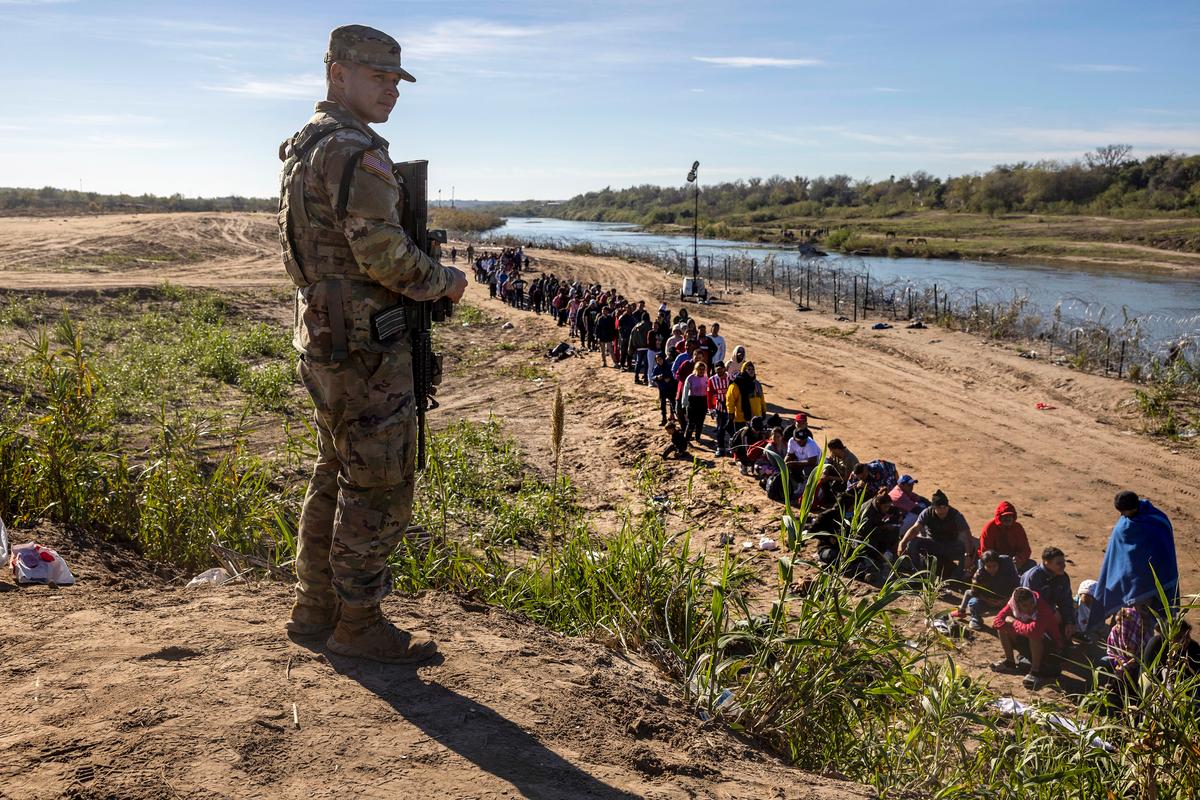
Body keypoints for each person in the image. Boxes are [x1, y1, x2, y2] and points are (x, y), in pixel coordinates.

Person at [279, 25, 467, 664]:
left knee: (335, 467)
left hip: (327, 334)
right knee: (379, 480)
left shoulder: (308, 146)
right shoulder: (357, 153)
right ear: (337, 75)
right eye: (377, 76)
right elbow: (384, 255)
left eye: (396, 79)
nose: (391, 89)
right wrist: (445, 281)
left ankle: (315, 608)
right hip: (365, 345)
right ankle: (358, 622)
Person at [1094, 490, 1179, 620]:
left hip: (1146, 582)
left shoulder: (1151, 523)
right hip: (1137, 582)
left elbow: (1162, 550)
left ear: (1132, 508)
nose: (1121, 514)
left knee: (1144, 622)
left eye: (1123, 511)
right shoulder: (1158, 519)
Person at [992, 586, 1064, 689]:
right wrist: (1017, 626)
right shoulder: (1012, 604)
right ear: (1017, 605)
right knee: (1003, 627)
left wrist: (1014, 622)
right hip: (1028, 641)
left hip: (1051, 648)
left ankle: (1035, 672)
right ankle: (1010, 662)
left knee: (1034, 634)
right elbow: (996, 622)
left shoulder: (1042, 608)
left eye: (1031, 603)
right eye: (1025, 606)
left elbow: (1034, 631)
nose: (1030, 608)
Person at [897, 490, 973, 579]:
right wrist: (902, 543)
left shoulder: (956, 515)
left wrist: (968, 555)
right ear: (933, 508)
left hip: (950, 545)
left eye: (945, 507)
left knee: (970, 549)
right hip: (933, 544)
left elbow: (967, 535)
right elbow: (915, 529)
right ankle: (917, 572)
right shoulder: (927, 513)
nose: (943, 510)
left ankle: (956, 577)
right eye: (939, 508)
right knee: (912, 543)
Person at [953, 550, 1020, 631]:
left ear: (999, 564)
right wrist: (989, 601)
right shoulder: (979, 575)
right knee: (973, 603)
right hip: (987, 601)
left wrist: (1007, 600)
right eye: (988, 566)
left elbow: (1017, 587)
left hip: (1007, 601)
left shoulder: (1008, 572)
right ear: (984, 565)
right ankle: (975, 618)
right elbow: (974, 592)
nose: (992, 569)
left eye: (994, 566)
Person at [1021, 546, 1076, 641]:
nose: (1063, 565)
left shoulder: (1063, 577)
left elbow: (1066, 601)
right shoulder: (1034, 576)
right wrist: (1051, 612)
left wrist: (1069, 622)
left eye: (1063, 562)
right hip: (1028, 612)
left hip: (1051, 612)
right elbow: (1028, 603)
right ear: (1046, 562)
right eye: (1059, 563)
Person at [977, 501, 1034, 574]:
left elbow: (1025, 549)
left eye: (1010, 516)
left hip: (1013, 562)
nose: (1008, 518)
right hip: (993, 562)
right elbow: (985, 552)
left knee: (1031, 564)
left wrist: (1020, 559)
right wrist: (999, 563)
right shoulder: (989, 528)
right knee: (982, 564)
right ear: (999, 517)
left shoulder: (1018, 528)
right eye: (1005, 516)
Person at [726, 361, 765, 429]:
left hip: (756, 419)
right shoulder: (736, 384)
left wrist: (764, 411)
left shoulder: (757, 384)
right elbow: (730, 401)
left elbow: (762, 399)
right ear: (743, 370)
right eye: (749, 369)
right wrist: (731, 414)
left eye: (753, 369)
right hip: (741, 419)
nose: (751, 371)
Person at [707, 361, 731, 456]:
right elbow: (709, 395)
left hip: (731, 408)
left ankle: (732, 448)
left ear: (724, 369)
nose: (719, 372)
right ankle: (720, 448)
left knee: (732, 429)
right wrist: (711, 409)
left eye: (721, 369)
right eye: (717, 370)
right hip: (719, 408)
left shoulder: (730, 377)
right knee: (720, 429)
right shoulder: (712, 380)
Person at [683, 361, 710, 443]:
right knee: (691, 422)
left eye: (703, 369)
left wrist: (710, 404)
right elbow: (685, 391)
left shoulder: (706, 378)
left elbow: (709, 391)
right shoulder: (690, 378)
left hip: (703, 401)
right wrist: (684, 404)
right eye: (699, 369)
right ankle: (686, 439)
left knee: (700, 422)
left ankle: (698, 438)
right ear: (696, 369)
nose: (701, 371)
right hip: (693, 401)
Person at [652, 353, 677, 426]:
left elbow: (673, 375)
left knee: (673, 404)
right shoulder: (656, 368)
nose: (659, 361)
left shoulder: (668, 366)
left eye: (660, 359)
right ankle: (664, 419)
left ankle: (673, 417)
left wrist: (668, 378)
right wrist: (657, 377)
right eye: (657, 360)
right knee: (663, 405)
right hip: (662, 389)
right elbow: (652, 377)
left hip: (670, 388)